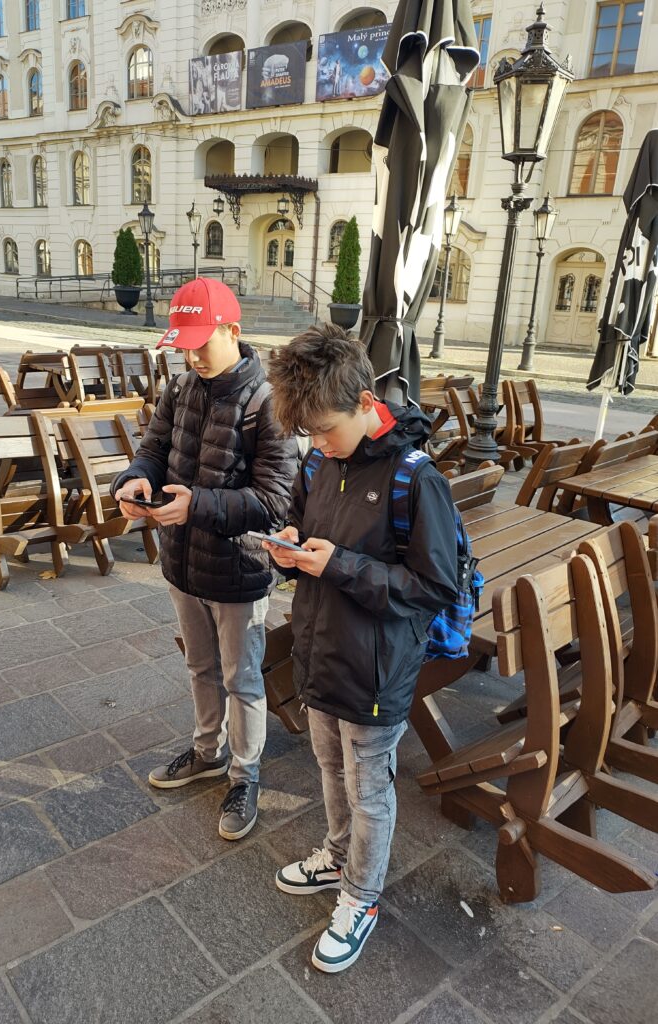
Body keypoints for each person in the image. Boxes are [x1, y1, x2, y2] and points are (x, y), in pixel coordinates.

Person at [264, 324, 459, 974]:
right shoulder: (322, 463)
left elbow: (434, 586)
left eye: (324, 428)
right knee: (328, 769)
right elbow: (308, 532)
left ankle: (361, 897)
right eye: (308, 433)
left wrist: (339, 566)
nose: (316, 443)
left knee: (369, 788)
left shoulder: (414, 478)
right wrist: (290, 550)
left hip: (377, 672)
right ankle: (337, 853)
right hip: (321, 654)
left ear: (365, 399)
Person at [112, 278, 297, 841]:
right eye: (185, 344)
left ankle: (245, 775)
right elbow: (153, 448)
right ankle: (206, 752)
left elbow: (276, 499)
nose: (193, 355)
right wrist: (136, 480)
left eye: (202, 342)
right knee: (199, 667)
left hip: (239, 568)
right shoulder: (183, 385)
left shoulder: (267, 401)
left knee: (242, 677)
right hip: (183, 560)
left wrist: (199, 506)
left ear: (233, 332)